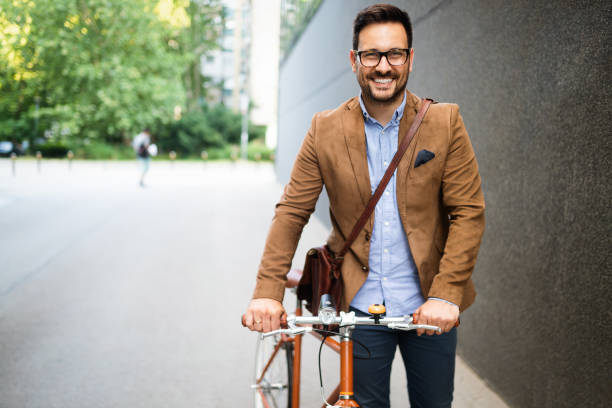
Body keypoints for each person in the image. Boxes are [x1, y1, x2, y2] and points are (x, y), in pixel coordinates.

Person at [244, 4, 485, 407]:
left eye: (395, 54)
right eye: (371, 54)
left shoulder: (444, 122)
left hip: (428, 303)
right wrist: (267, 291)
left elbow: (468, 212)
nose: (383, 66)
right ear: (354, 60)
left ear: (410, 58)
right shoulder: (325, 128)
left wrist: (445, 295)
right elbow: (292, 211)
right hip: (359, 305)